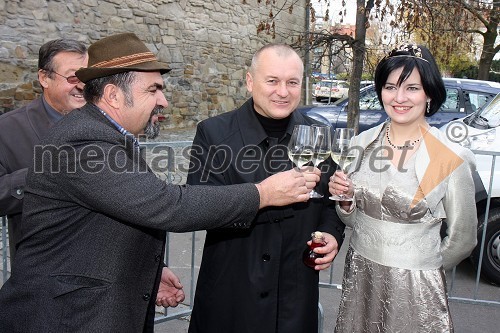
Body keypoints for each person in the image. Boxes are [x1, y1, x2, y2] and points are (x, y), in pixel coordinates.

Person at [0, 33, 322, 332]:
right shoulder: (84, 144)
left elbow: (109, 225)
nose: (163, 101)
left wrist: (150, 273)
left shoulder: (111, 138)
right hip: (63, 318)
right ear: (113, 95)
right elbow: (169, 206)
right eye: (153, 89)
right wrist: (263, 193)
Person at [186, 43, 345, 333]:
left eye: (292, 82)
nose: (282, 92)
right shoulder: (214, 133)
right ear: (250, 81)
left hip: (294, 297)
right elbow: (199, 207)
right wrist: (263, 195)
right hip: (233, 294)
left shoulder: (321, 135)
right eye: (272, 81)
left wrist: (333, 233)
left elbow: (331, 201)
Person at [329, 43, 478, 332]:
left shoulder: (449, 157)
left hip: (415, 288)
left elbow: (463, 239)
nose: (399, 98)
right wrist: (346, 202)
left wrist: (421, 266)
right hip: (360, 275)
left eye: (412, 88)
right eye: (390, 87)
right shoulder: (361, 144)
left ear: (430, 94)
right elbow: (353, 219)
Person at [0, 39, 88, 264]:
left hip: (107, 277)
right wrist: (44, 175)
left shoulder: (110, 123)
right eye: (73, 78)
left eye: (88, 77)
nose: (82, 86)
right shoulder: (7, 130)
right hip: (43, 278)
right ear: (44, 78)